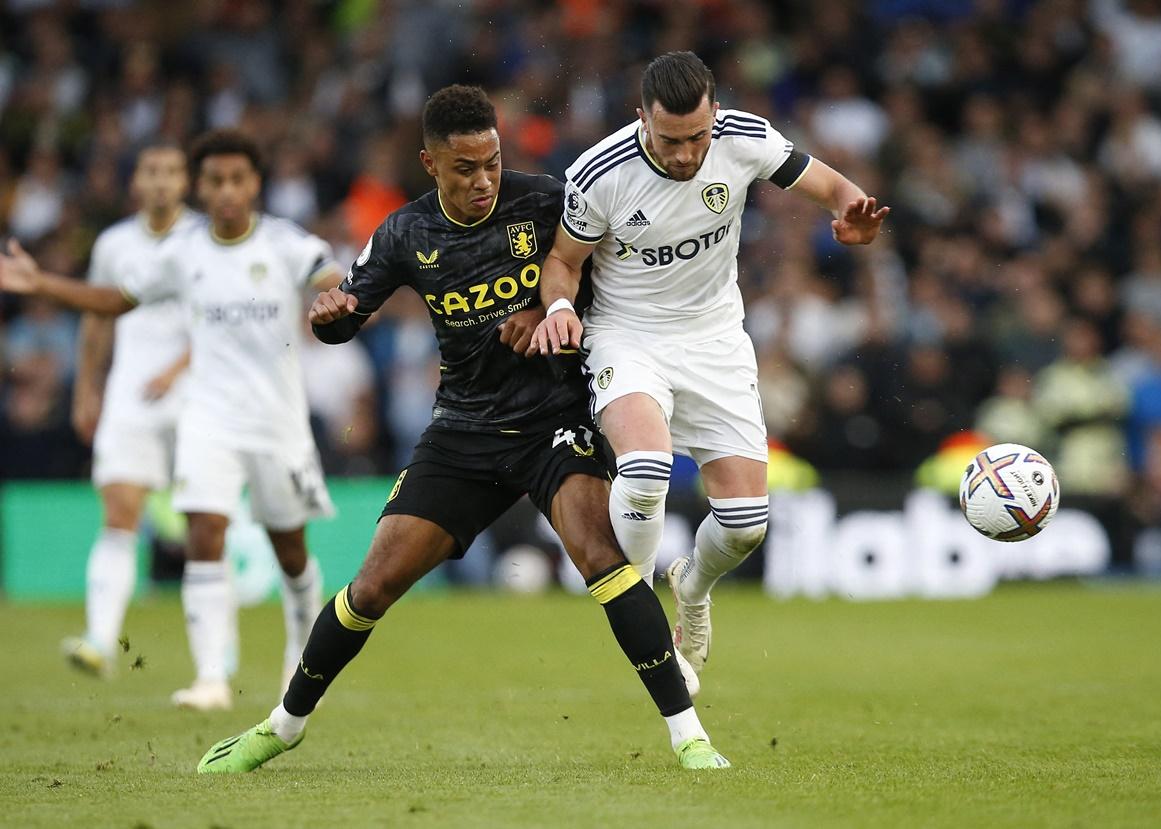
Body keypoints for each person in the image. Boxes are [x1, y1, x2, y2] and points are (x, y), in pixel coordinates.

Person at [193, 85, 727, 774]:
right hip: (463, 430)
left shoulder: (545, 199)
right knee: (372, 586)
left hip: (553, 421)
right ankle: (283, 724)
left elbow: (604, 275)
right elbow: (351, 309)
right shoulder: (406, 232)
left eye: (493, 163)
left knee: (602, 555)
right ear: (430, 164)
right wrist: (332, 318)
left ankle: (689, 735)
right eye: (465, 168)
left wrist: (547, 311)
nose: (483, 181)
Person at [528, 52, 889, 692]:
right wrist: (558, 306)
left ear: (713, 115)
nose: (686, 153)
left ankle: (691, 589)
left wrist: (853, 213)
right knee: (644, 470)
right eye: (670, 140)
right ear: (642, 118)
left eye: (697, 136)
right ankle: (644, 636)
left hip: (716, 339)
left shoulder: (743, 139)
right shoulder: (599, 173)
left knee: (747, 525)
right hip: (627, 335)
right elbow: (563, 260)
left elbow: (832, 186)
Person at [0, 130, 341, 711]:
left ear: (254, 183)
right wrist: (43, 285)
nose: (227, 191)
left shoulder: (284, 244)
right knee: (203, 533)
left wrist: (339, 296)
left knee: (291, 551)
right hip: (208, 418)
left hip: (276, 423)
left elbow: (332, 277)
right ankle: (211, 678)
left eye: (238, 179)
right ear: (201, 186)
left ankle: (300, 652)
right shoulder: (183, 254)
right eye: (216, 180)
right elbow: (116, 301)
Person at [59, 143, 200, 677]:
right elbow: (97, 319)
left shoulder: (204, 239)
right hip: (129, 395)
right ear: (136, 181)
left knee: (206, 523)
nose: (160, 182)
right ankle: (99, 640)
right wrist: (86, 389)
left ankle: (216, 659)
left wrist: (177, 367)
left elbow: (220, 321)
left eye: (170, 172)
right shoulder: (114, 244)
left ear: (186, 182)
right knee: (119, 512)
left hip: (196, 391)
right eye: (151, 172)